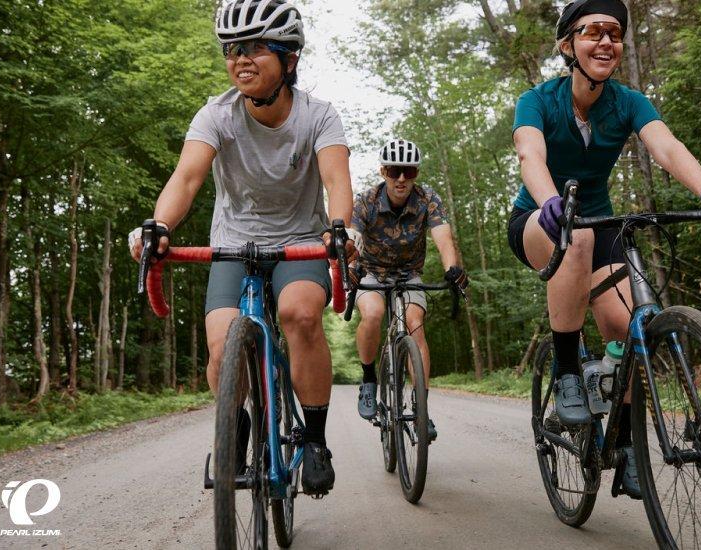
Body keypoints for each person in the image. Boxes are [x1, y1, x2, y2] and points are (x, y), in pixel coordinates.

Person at [507, 0, 701, 498]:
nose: (606, 41)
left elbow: (666, 146)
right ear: (567, 45)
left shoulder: (628, 101)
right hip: (541, 221)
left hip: (601, 224)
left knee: (629, 327)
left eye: (615, 33)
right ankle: (567, 368)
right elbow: (529, 152)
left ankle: (624, 445)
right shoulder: (538, 99)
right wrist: (550, 200)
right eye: (593, 31)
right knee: (573, 236)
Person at [128, 0, 354, 497]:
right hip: (233, 243)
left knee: (299, 314)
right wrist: (158, 226)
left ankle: (314, 440)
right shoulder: (217, 114)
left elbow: (338, 181)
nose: (240, 60)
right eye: (232, 49)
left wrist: (339, 229)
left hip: (298, 242)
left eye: (256, 48)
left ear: (289, 58)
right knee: (220, 342)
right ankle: (238, 422)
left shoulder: (319, 116)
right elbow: (186, 179)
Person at [350, 139, 469, 441]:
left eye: (408, 171)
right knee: (374, 314)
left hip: (408, 274)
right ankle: (368, 382)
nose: (401, 178)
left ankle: (421, 409)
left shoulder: (428, 198)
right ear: (383, 171)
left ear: (415, 173)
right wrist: (350, 270)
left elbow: (443, 237)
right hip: (372, 273)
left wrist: (452, 269)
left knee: (416, 326)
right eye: (394, 170)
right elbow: (353, 240)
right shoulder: (366, 200)